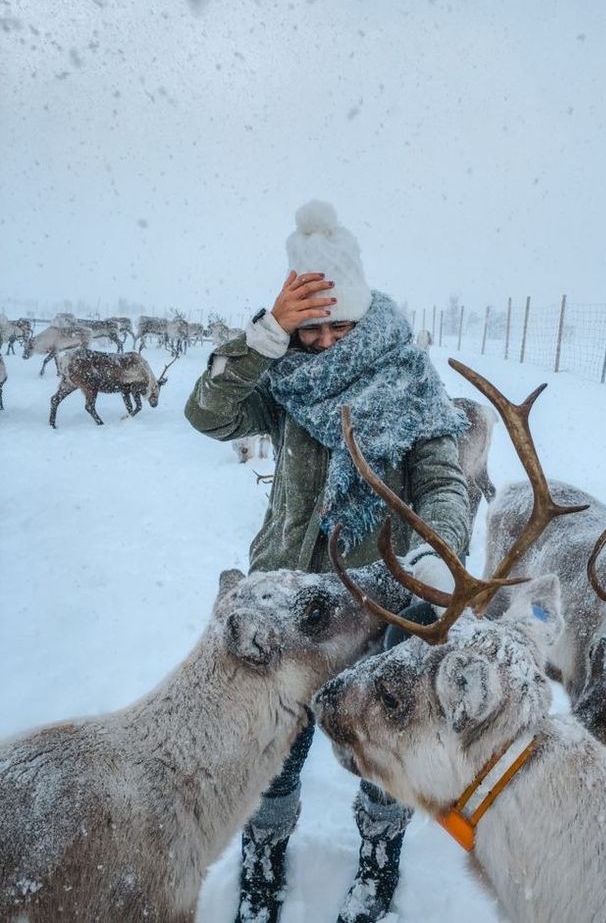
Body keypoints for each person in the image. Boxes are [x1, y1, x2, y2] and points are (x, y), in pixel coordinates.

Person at [185, 199, 470, 923]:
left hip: (382, 601)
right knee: (275, 744)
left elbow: (442, 480)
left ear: (363, 311)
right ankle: (262, 859)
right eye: (309, 326)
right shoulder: (282, 379)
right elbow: (207, 412)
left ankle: (379, 859)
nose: (324, 338)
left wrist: (438, 553)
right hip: (289, 600)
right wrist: (265, 336)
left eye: (336, 322)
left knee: (384, 738)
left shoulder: (408, 380)